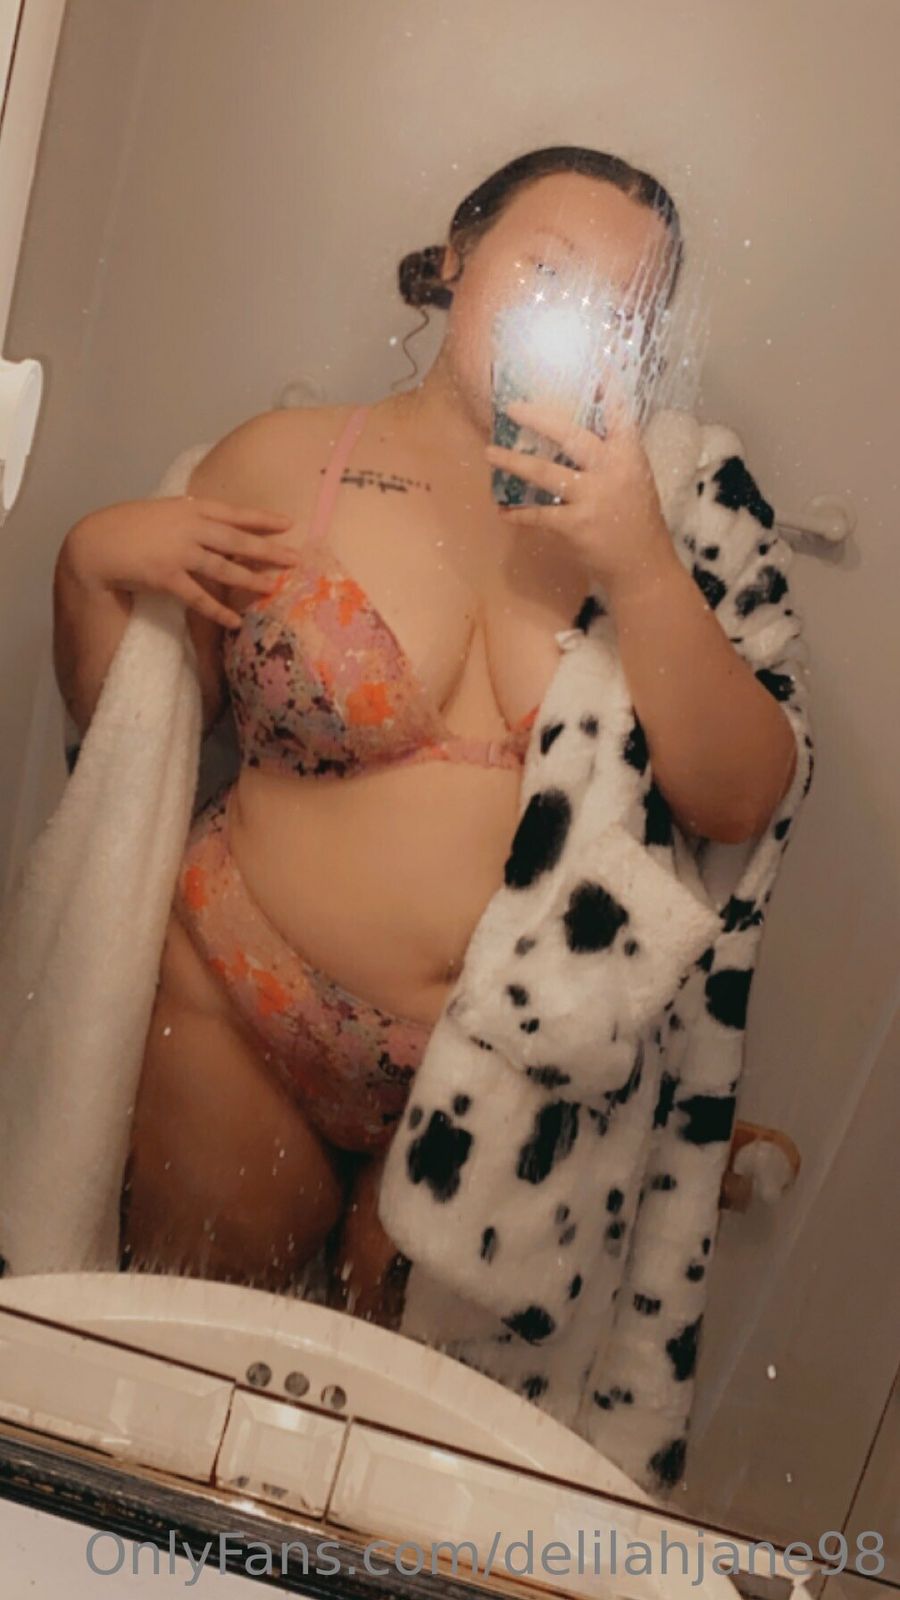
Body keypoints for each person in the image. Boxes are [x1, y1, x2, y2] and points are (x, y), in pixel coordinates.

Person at [53, 145, 788, 1324]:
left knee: (403, 1421)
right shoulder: (283, 460)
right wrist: (87, 568)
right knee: (193, 1362)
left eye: (623, 306)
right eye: (547, 274)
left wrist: (641, 562)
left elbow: (741, 800)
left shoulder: (675, 506)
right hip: (237, 1008)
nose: (579, 318)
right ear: (455, 258)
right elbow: (136, 746)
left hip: (502, 1081)